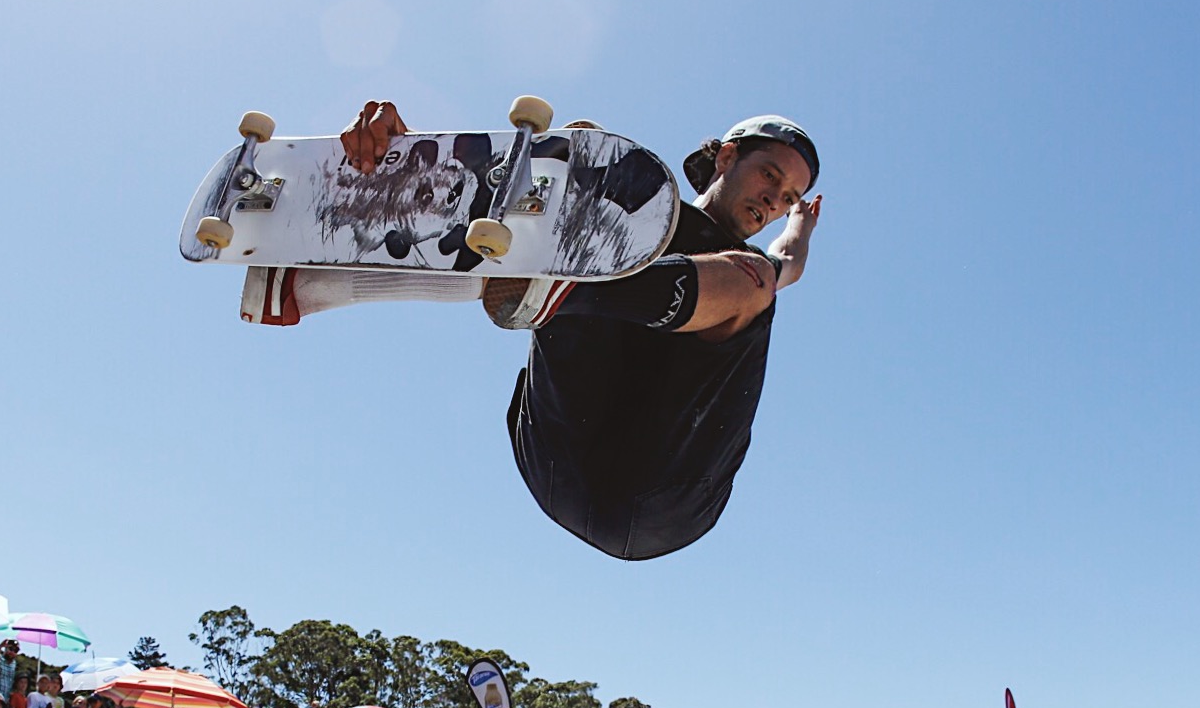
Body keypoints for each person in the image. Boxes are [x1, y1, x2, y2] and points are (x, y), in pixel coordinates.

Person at [249, 103, 821, 559]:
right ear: (726, 158)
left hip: (662, 498)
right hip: (558, 454)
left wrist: (800, 224)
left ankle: (564, 285)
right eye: (770, 175)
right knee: (578, 154)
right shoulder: (637, 209)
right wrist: (402, 154)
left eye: (788, 196)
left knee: (756, 280)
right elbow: (525, 182)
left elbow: (787, 260)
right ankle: (305, 282)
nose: (775, 199)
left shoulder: (748, 265)